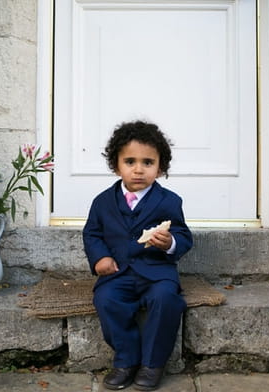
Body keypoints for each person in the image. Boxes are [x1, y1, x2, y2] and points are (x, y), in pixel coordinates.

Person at [83, 120, 193, 391]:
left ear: (160, 167)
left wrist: (169, 243)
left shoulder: (169, 201)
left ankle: (152, 363)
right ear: (116, 165)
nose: (138, 169)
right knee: (106, 300)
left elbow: (184, 236)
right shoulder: (102, 202)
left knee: (166, 300)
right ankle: (126, 360)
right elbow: (92, 234)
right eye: (129, 161)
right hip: (118, 272)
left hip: (157, 273)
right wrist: (100, 259)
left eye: (148, 162)